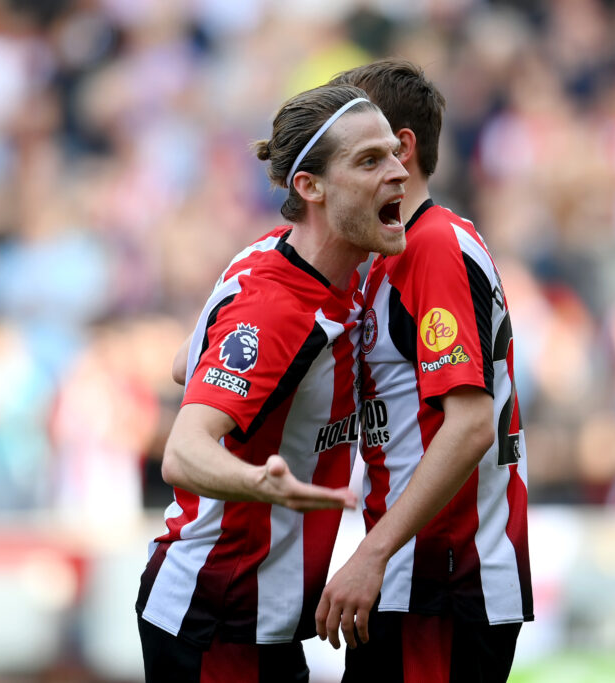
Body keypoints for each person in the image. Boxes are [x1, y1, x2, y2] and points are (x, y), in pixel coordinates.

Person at [136, 84, 409, 683]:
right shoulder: (279, 311)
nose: (398, 173)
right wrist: (263, 482)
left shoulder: (283, 258)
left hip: (262, 620)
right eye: (369, 161)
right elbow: (183, 452)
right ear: (310, 187)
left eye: (394, 154)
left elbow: (188, 362)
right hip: (218, 617)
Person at [315, 59, 533, 682]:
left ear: (400, 149)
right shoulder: (390, 256)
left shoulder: (433, 246)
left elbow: (468, 426)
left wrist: (372, 554)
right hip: (412, 581)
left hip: (440, 581)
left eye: (348, 138)